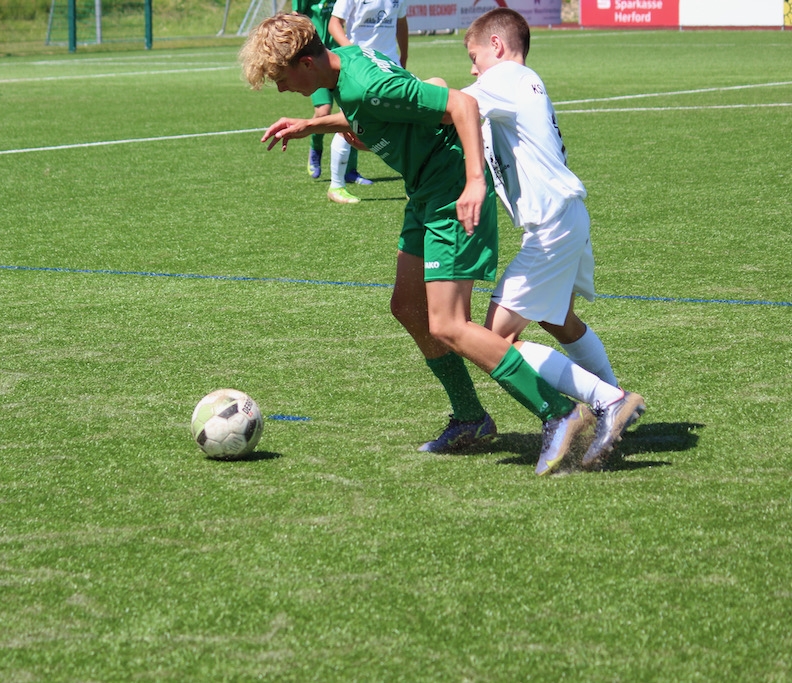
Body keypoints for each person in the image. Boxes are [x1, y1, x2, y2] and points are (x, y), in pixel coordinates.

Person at [238, 12, 595, 475]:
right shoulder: (348, 62)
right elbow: (386, 111)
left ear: (306, 63)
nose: (282, 88)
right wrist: (313, 125)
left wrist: (474, 181)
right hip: (424, 190)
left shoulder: (365, 83)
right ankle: (470, 418)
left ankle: (560, 413)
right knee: (407, 306)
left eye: (282, 78)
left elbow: (460, 105)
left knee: (448, 325)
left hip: (450, 191)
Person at [454, 7, 645, 470]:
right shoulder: (522, 82)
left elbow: (451, 105)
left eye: (474, 57)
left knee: (496, 340)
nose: (474, 69)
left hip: (552, 225)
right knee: (559, 320)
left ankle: (609, 400)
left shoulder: (505, 78)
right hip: (567, 216)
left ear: (497, 46)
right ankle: (615, 402)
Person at [322, 0, 409, 204]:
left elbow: (401, 22)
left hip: (389, 65)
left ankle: (412, 184)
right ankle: (336, 185)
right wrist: (354, 53)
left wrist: (404, 55)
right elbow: (334, 24)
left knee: (404, 122)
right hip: (360, 66)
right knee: (349, 122)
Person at [292, 0, 370, 187]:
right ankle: (316, 148)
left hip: (338, 56)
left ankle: (350, 170)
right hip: (315, 59)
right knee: (323, 111)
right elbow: (295, 18)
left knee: (352, 112)